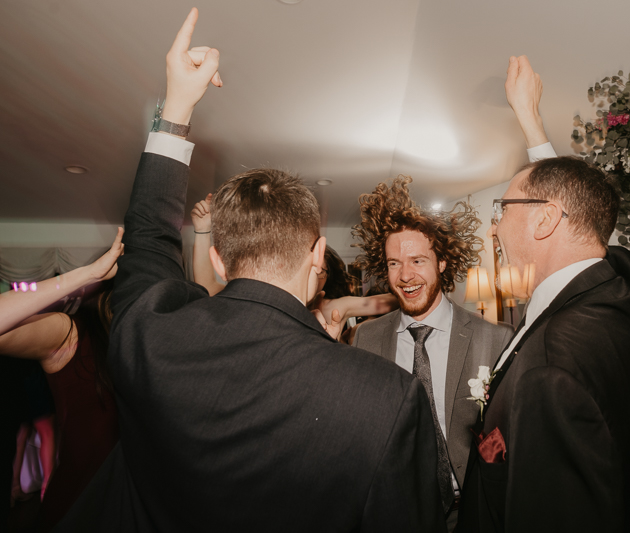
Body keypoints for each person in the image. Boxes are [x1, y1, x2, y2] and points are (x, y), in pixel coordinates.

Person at [55, 10, 445, 532]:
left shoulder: (151, 339)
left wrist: (176, 105)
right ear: (317, 256)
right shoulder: (386, 396)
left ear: (217, 258)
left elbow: (148, 235)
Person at [456, 56, 630, 532]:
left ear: (544, 220)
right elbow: (585, 219)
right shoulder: (626, 287)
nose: (494, 228)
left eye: (502, 210)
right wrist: (531, 125)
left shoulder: (552, 363)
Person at [349, 177, 513, 531]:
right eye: (394, 263)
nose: (405, 276)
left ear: (441, 262)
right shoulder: (366, 338)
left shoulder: (495, 339)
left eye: (418, 261)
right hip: (394, 513)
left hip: (471, 512)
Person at [0, 229, 124, 527]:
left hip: (127, 511)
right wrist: (85, 275)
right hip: (77, 508)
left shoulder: (146, 345)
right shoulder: (72, 333)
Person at [191, 193, 397, 330]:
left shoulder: (330, 308)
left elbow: (379, 304)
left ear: (326, 277)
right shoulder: (258, 300)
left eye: (320, 270)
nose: (312, 270)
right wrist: (202, 230)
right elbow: (207, 286)